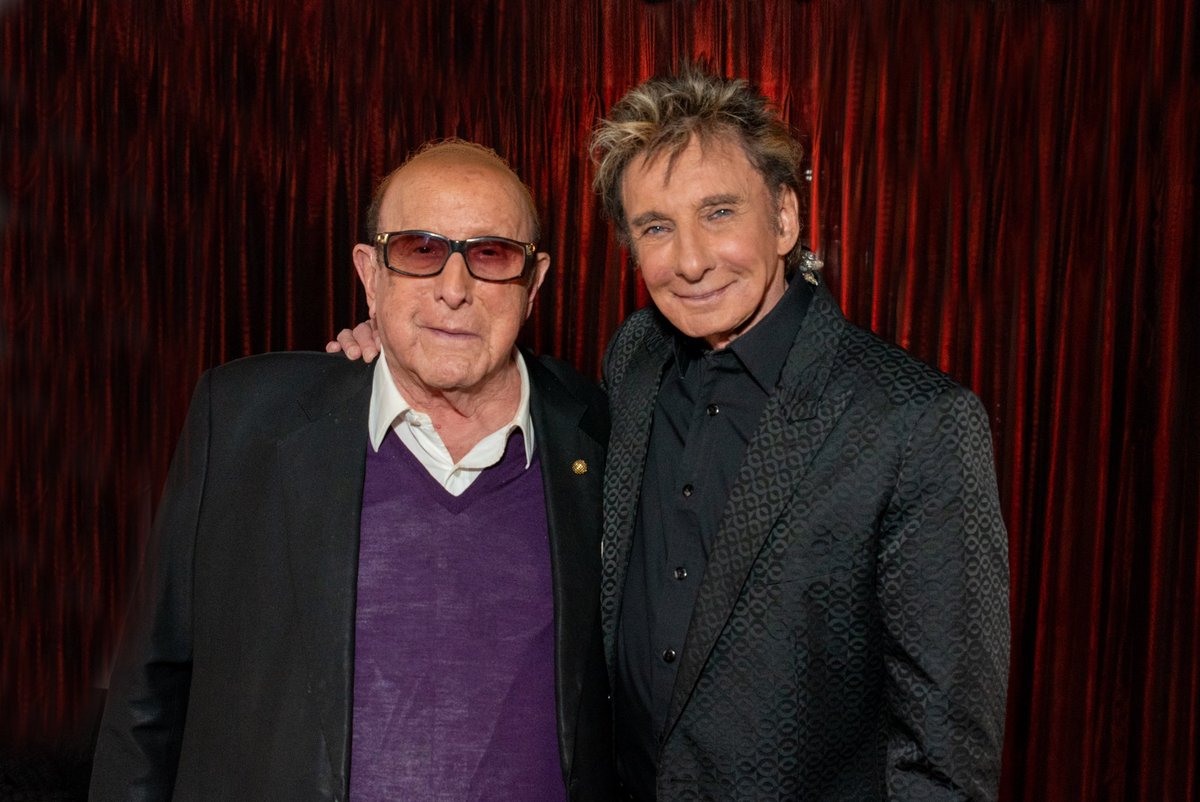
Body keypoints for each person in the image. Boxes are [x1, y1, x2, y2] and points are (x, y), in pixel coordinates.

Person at [333, 66, 1010, 800]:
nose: (690, 261)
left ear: (784, 217)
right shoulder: (637, 360)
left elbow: (945, 759)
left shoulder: (916, 422)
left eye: (719, 213)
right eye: (657, 227)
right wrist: (404, 341)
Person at [90, 140, 615, 801]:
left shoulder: (602, 435)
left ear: (533, 284)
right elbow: (147, 699)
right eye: (420, 251)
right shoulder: (246, 422)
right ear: (371, 274)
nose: (454, 290)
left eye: (491, 255)